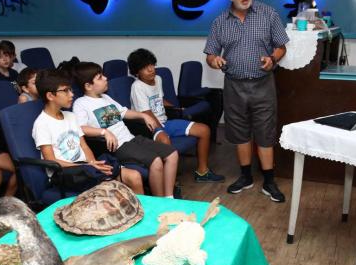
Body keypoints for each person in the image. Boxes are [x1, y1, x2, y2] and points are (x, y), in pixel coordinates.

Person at [204, 0, 289, 202]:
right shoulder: (220, 22)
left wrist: (273, 58)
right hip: (234, 86)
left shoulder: (268, 14)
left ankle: (269, 181)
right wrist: (215, 60)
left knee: (265, 132)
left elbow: (282, 45)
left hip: (263, 85)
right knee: (240, 133)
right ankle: (245, 177)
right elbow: (210, 54)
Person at [72, 61, 178, 197]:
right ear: (88, 86)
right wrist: (104, 131)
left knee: (172, 154)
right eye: (99, 78)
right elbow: (81, 127)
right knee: (156, 161)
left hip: (131, 139)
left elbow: (124, 112)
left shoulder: (106, 97)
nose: (105, 78)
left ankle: (169, 198)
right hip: (118, 147)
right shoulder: (81, 103)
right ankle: (159, 202)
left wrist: (143, 116)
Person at [33, 69, 143, 194]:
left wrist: (92, 163)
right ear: (50, 96)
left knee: (134, 176)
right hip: (66, 173)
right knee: (112, 188)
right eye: (65, 91)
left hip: (85, 167)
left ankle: (144, 212)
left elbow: (84, 146)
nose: (71, 94)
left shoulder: (71, 116)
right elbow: (51, 161)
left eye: (70, 89)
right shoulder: (42, 124)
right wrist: (87, 166)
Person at [127, 48, 224, 184]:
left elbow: (160, 100)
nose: (151, 70)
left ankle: (202, 172)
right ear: (136, 72)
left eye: (152, 65)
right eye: (145, 68)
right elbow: (146, 113)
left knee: (204, 130)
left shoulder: (158, 79)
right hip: (148, 127)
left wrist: (176, 108)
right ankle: (168, 182)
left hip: (165, 122)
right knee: (165, 141)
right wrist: (160, 130)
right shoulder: (137, 87)